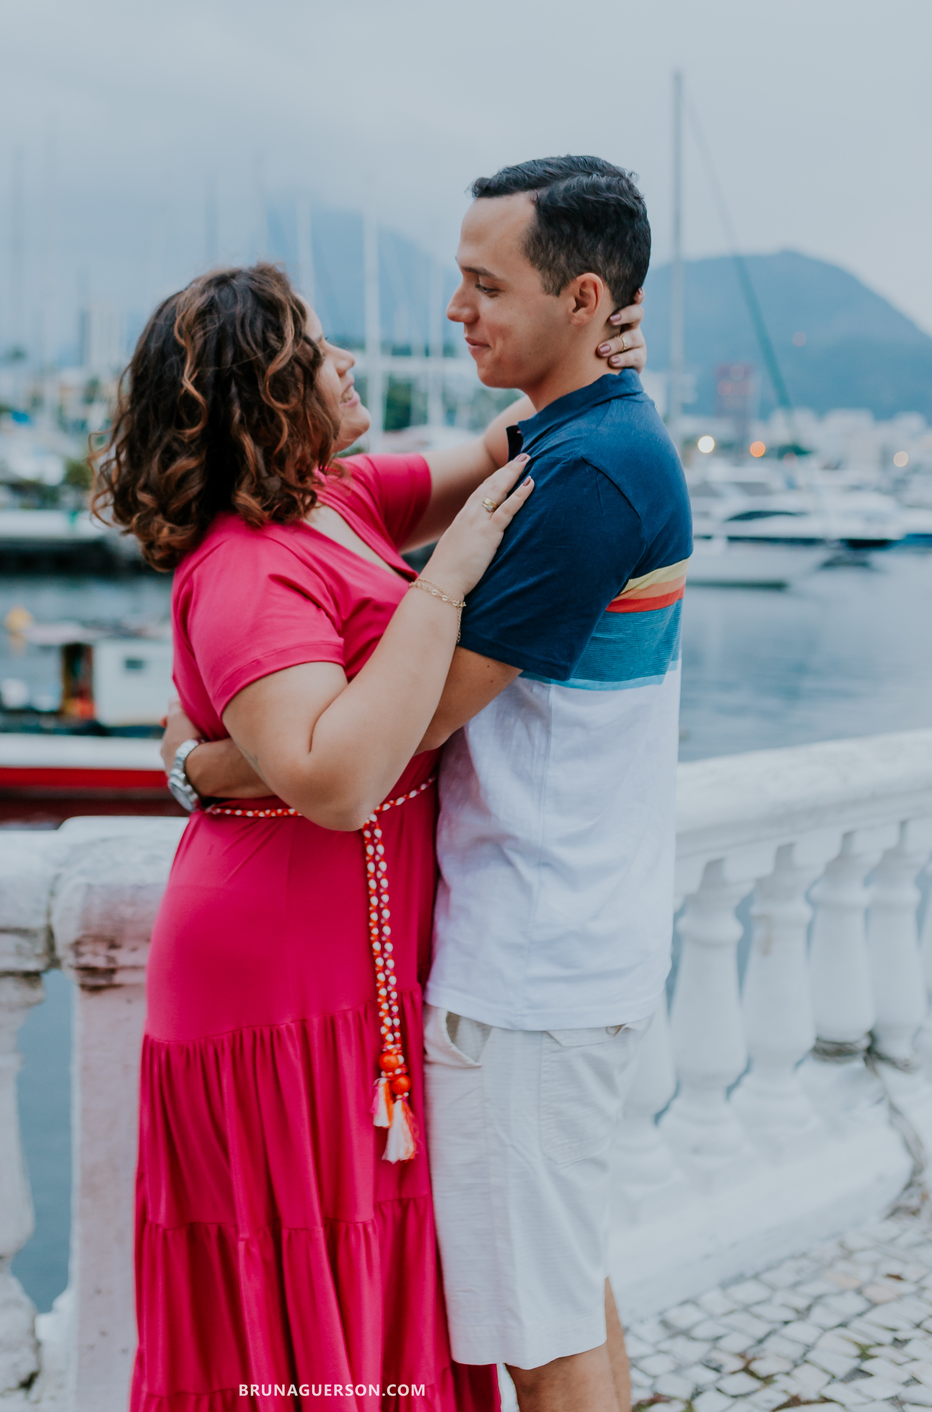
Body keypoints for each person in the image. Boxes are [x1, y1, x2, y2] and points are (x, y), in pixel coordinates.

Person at [105, 259, 646, 1406]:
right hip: (273, 976)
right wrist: (443, 587)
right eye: (319, 347)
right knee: (300, 1258)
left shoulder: (336, 499)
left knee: (373, 1255)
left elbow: (506, 453)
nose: (347, 361)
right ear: (267, 390)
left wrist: (584, 354)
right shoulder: (248, 570)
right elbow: (337, 778)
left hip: (360, 955)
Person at [416, 158, 692, 1412]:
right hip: (575, 941)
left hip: (531, 965)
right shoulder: (595, 435)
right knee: (565, 1287)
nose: (459, 311)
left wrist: (208, 760)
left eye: (486, 285)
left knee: (541, 1327)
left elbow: (415, 722)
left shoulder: (588, 474)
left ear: (581, 298)